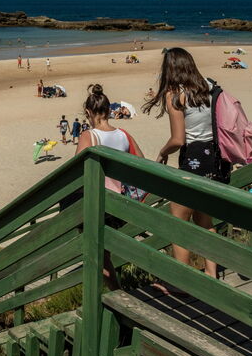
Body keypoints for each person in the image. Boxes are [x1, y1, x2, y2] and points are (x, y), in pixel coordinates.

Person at [143, 47, 228, 280]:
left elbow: (178, 139)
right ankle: (212, 274)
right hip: (214, 160)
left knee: (178, 225)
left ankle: (181, 281)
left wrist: (162, 153)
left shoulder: (176, 96)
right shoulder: (210, 88)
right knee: (205, 221)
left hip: (192, 160)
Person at [74, 84, 146, 289]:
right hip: (120, 203)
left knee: (98, 253)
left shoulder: (90, 136)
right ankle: (115, 291)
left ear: (88, 112)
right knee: (106, 251)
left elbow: (76, 170)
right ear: (108, 110)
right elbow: (141, 161)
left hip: (100, 202)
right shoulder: (123, 134)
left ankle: (115, 294)